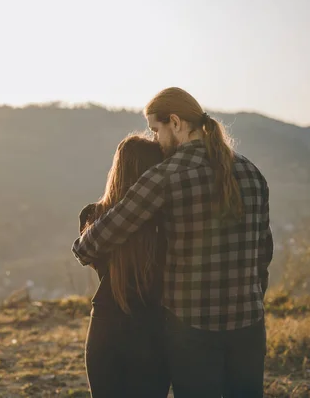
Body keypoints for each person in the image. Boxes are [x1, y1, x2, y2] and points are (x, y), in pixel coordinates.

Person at [73, 87, 272, 398]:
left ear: (176, 122)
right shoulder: (251, 172)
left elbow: (91, 245)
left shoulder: (166, 176)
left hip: (192, 331)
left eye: (156, 130)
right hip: (249, 326)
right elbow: (263, 256)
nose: (155, 141)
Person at [79, 133, 170, 397]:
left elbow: (95, 262)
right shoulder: (165, 222)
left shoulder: (92, 216)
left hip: (106, 326)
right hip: (152, 329)